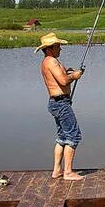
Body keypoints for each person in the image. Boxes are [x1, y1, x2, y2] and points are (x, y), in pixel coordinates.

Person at [36, 33, 85, 180]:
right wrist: (73, 76)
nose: (61, 49)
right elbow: (63, 81)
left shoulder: (48, 62)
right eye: (58, 46)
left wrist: (70, 72)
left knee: (62, 136)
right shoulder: (51, 62)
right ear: (49, 48)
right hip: (61, 103)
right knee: (74, 135)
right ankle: (68, 172)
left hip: (56, 103)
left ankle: (57, 170)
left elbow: (61, 76)